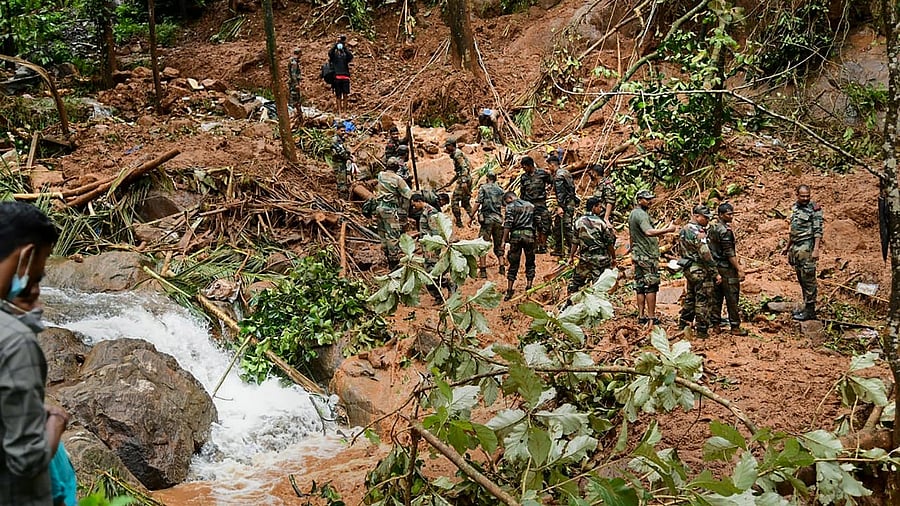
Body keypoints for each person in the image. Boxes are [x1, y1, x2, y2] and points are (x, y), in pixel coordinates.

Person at [0, 201, 70, 504]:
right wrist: (54, 423)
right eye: (38, 276)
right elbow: (26, 460)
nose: (36, 287)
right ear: (26, 256)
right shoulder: (15, 342)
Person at [628, 189, 677, 325]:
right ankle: (651, 317)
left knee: (640, 285)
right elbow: (648, 232)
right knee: (651, 286)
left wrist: (633, 252)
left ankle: (641, 315)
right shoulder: (641, 215)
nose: (650, 202)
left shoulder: (633, 214)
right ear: (639, 200)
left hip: (638, 254)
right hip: (647, 255)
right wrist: (667, 230)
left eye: (650, 199)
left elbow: (632, 236)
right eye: (647, 199)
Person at [782, 184, 823, 321]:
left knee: (808, 279)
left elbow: (818, 231)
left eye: (808, 196)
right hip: (796, 248)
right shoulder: (795, 208)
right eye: (803, 196)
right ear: (797, 195)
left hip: (807, 247)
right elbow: (792, 230)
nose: (805, 198)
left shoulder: (814, 209)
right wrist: (787, 247)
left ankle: (810, 311)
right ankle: (806, 306)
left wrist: (816, 249)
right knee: (801, 278)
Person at [677, 205, 719, 338]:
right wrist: (715, 272)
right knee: (703, 299)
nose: (707, 220)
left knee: (690, 297)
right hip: (699, 270)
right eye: (705, 218)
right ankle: (702, 330)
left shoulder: (684, 230)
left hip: (688, 268)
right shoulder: (698, 232)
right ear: (696, 216)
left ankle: (683, 324)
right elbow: (705, 254)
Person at [708, 202, 748, 335]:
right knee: (732, 297)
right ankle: (735, 326)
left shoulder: (713, 228)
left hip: (716, 267)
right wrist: (738, 268)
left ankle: (716, 325)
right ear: (720, 215)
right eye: (728, 214)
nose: (731, 216)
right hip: (726, 268)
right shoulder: (725, 231)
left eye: (732, 214)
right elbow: (729, 252)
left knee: (716, 297)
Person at [568, 196, 617, 294]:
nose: (601, 209)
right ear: (593, 207)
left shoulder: (578, 222)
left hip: (585, 259)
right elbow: (609, 243)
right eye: (599, 207)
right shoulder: (600, 223)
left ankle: (569, 302)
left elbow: (575, 242)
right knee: (601, 284)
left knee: (575, 282)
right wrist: (613, 257)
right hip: (601, 259)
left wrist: (571, 256)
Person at [411, 193, 454, 303]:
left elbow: (434, 230)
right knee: (427, 270)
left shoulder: (430, 212)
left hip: (431, 247)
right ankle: (438, 296)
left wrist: (434, 246)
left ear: (420, 201)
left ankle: (448, 284)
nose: (413, 206)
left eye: (414, 204)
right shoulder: (425, 212)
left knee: (431, 270)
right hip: (427, 246)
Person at [374, 161, 413, 269]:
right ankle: (393, 262)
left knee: (382, 233)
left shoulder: (380, 175)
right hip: (390, 210)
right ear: (397, 168)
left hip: (379, 208)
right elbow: (408, 194)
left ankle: (386, 255)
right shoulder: (398, 179)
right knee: (393, 235)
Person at [470, 172, 506, 278]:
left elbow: (477, 203)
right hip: (498, 220)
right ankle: (502, 267)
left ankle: (483, 271)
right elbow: (504, 204)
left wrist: (471, 216)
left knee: (482, 245)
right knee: (498, 245)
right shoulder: (500, 190)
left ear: (487, 179)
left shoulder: (483, 188)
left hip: (487, 220)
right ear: (495, 178)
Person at [502, 191, 536, 301]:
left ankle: (509, 290)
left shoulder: (510, 207)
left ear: (510, 198)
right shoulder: (530, 205)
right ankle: (529, 285)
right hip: (529, 236)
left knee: (514, 263)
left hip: (516, 236)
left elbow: (508, 223)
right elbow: (536, 222)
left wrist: (504, 240)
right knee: (530, 261)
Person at [518, 156, 552, 254]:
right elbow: (522, 192)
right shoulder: (524, 177)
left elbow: (552, 182)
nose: (523, 169)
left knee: (545, 224)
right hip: (529, 205)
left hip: (541, 203)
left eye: (524, 167)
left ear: (529, 165)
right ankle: (534, 246)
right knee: (531, 225)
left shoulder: (542, 174)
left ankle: (543, 245)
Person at [549, 154, 578, 257]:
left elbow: (561, 193)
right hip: (570, 202)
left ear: (552, 165)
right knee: (557, 226)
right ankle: (559, 249)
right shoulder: (566, 172)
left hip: (566, 204)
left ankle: (572, 251)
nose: (549, 168)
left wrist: (560, 207)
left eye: (549, 166)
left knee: (566, 226)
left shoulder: (558, 176)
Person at [444, 139, 474, 228]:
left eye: (447, 146)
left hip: (464, 180)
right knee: (465, 202)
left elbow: (464, 167)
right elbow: (459, 172)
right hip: (467, 178)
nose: (446, 148)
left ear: (451, 146)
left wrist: (463, 181)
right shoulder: (456, 154)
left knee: (454, 201)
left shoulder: (457, 154)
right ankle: (474, 219)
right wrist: (451, 182)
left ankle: (459, 222)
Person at [328, 35, 353, 115]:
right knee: (338, 95)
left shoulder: (345, 55)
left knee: (345, 95)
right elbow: (330, 53)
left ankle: (345, 111)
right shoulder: (334, 56)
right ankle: (339, 111)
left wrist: (344, 47)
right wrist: (336, 45)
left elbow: (351, 56)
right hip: (337, 77)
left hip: (345, 77)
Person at [330, 121, 352, 198]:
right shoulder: (335, 140)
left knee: (345, 181)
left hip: (342, 163)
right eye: (341, 131)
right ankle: (343, 200)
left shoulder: (341, 139)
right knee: (342, 183)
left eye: (344, 131)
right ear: (337, 130)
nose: (343, 132)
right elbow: (341, 152)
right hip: (338, 164)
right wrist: (349, 158)